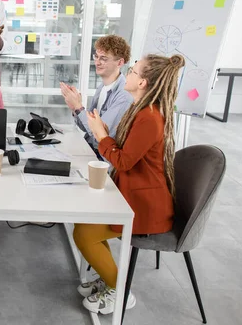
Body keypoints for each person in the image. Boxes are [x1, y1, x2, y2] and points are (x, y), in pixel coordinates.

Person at [72, 53, 186, 315]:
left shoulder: (149, 116)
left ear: (143, 82)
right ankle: (110, 276)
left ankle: (121, 290)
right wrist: (102, 132)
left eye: (133, 72)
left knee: (84, 234)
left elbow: (123, 161)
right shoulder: (142, 110)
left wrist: (101, 134)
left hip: (145, 206)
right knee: (83, 223)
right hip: (132, 194)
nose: (129, 75)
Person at [60, 35, 133, 158]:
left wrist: (79, 107)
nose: (97, 62)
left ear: (120, 62)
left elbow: (98, 136)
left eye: (104, 58)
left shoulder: (124, 96)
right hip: (91, 151)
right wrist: (74, 108)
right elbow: (87, 128)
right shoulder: (102, 87)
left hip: (102, 160)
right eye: (96, 56)